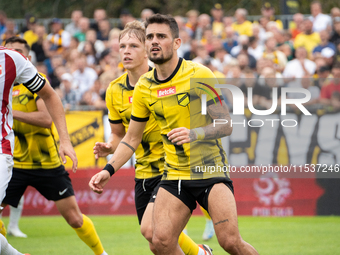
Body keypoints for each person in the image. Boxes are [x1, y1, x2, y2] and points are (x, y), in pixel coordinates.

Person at [90, 14, 259, 255]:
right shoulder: (144, 86)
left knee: (230, 242)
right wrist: (108, 170)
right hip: (174, 174)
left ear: (177, 43)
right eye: (149, 37)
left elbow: (226, 124)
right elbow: (131, 138)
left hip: (209, 170)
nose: (154, 41)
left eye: (161, 36)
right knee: (159, 241)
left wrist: (195, 133)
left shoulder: (199, 74)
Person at [93, 20, 213, 255]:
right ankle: (201, 253)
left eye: (134, 46)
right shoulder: (114, 90)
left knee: (152, 231)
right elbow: (122, 135)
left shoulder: (165, 80)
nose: (126, 51)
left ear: (147, 49)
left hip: (172, 168)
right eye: (122, 46)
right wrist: (110, 148)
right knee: (156, 243)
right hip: (143, 172)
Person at [0, 37, 107, 255]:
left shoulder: (29, 83)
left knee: (75, 218)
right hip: (19, 162)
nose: (15, 54)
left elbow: (46, 118)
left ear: (27, 58)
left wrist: (12, 112)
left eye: (19, 51)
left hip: (44, 162)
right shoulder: (9, 87)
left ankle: (101, 253)